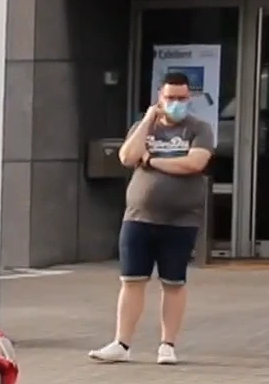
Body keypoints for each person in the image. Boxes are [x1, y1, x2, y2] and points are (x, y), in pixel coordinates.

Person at [88, 70, 214, 365]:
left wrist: (153, 160)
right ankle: (122, 343)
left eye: (182, 98)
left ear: (190, 98)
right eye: (170, 98)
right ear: (160, 97)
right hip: (138, 218)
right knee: (131, 280)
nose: (176, 104)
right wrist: (147, 121)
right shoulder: (145, 126)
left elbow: (194, 163)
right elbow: (127, 157)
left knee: (173, 282)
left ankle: (167, 345)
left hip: (180, 220)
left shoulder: (199, 129)